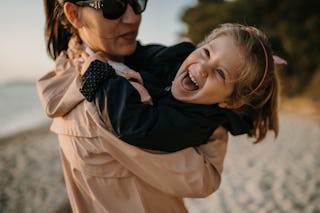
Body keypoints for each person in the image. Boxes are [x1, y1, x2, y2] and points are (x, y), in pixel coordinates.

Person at [37, 0, 233, 212]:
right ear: (74, 14)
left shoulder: (71, 68)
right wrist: (221, 112)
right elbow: (203, 178)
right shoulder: (108, 97)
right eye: (113, 6)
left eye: (137, 3)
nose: (133, 18)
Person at [76, 23, 280, 152]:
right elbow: (138, 53)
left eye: (220, 73)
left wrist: (97, 75)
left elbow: (134, 125)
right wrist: (91, 44)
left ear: (231, 101)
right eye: (207, 53)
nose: (202, 67)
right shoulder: (178, 56)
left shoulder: (197, 122)